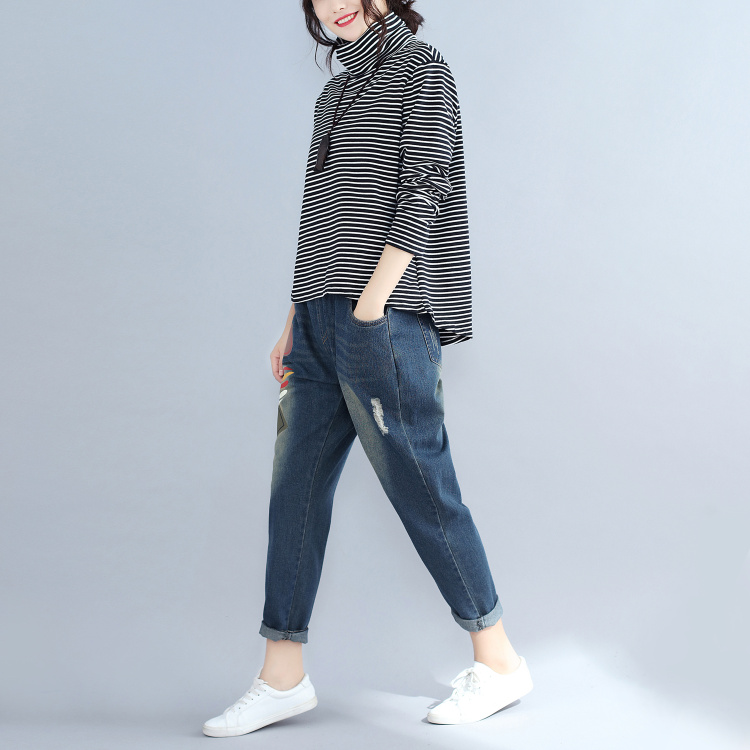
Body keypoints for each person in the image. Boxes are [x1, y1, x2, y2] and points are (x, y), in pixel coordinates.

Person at [203, 0, 533, 737]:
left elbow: (426, 188)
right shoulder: (335, 91)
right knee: (294, 493)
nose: (336, 3)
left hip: (383, 316)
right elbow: (322, 214)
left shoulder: (421, 68)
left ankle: (500, 660)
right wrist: (295, 317)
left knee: (422, 488)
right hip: (319, 319)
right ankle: (282, 675)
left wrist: (371, 304)